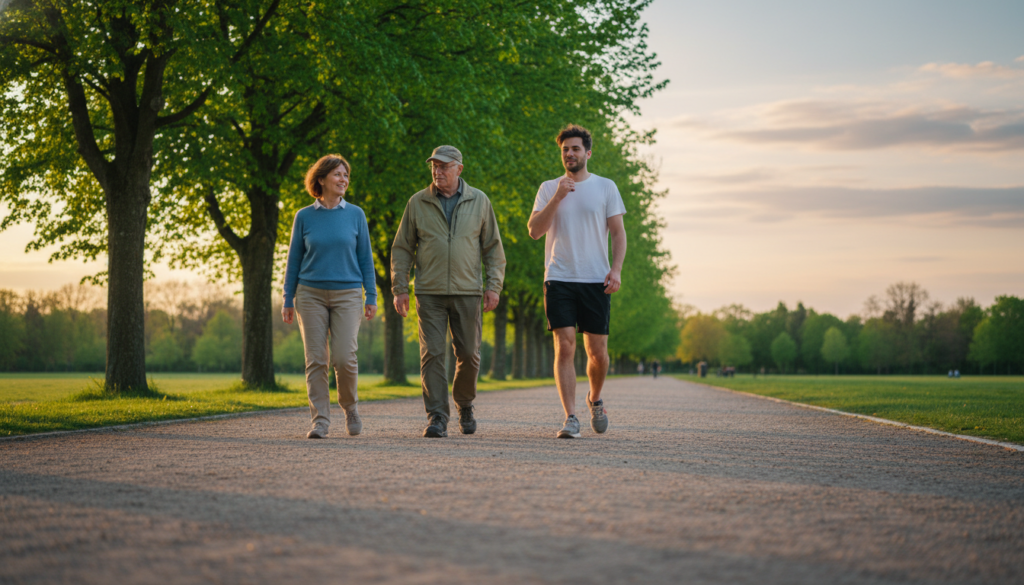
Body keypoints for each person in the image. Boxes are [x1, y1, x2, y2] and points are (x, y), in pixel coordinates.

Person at [391, 145, 506, 438]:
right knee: (432, 353)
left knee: (469, 354)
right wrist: (400, 287)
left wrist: (493, 286)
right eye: (434, 166)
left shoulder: (479, 201)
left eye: (443, 166)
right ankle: (437, 416)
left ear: (459, 169)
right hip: (428, 292)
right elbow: (402, 248)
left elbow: (493, 248)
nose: (437, 171)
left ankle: (465, 404)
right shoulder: (417, 202)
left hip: (468, 291)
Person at [527, 124, 627, 439]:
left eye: (575, 149)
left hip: (596, 279)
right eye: (565, 149)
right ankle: (570, 417)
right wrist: (557, 197)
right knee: (565, 345)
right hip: (559, 277)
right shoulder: (548, 188)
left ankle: (594, 399)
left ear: (588, 153)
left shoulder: (606, 187)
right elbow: (535, 230)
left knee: (597, 353)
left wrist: (616, 269)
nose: (570, 154)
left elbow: (618, 233)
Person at [282, 154, 377, 439]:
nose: (344, 179)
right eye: (338, 174)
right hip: (309, 294)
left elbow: (366, 258)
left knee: (344, 357)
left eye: (346, 175)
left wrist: (371, 294)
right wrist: (288, 298)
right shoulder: (304, 216)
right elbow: (293, 260)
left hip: (348, 293)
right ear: (321, 179)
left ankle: (350, 407)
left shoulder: (356, 214)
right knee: (316, 359)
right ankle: (320, 421)